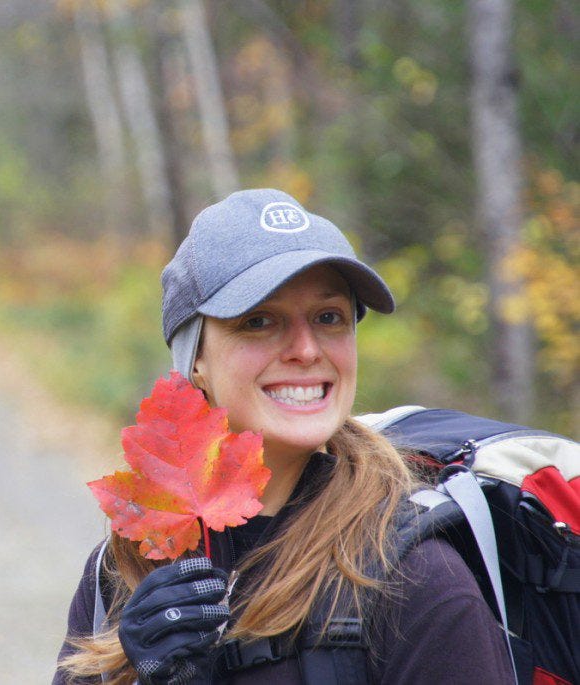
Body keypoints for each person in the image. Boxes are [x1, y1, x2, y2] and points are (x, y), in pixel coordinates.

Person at [52, 189, 514, 684]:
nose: (306, 349)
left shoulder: (415, 581)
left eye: (329, 317)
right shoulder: (125, 573)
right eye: (259, 321)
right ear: (196, 360)